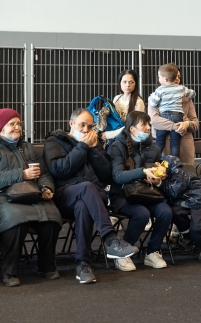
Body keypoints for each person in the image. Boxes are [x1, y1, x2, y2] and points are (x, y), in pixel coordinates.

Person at [44, 108, 138, 284]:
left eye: (90, 126)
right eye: (82, 125)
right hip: (65, 195)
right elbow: (60, 170)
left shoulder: (93, 144)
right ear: (71, 123)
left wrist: (94, 150)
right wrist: (82, 147)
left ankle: (83, 264)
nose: (86, 130)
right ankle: (110, 239)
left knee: (83, 207)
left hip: (92, 198)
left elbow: (107, 174)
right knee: (86, 189)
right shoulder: (55, 141)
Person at [0, 109, 62, 287]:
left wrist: (46, 187)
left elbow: (43, 173)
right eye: (11, 124)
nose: (17, 127)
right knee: (16, 219)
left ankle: (46, 266)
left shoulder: (27, 147)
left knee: (51, 216)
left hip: (31, 194)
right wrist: (21, 174)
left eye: (18, 123)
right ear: (0, 128)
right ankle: (9, 271)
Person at [109, 111, 173, 270]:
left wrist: (159, 177)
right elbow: (117, 176)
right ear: (131, 129)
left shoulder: (154, 149)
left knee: (165, 211)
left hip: (147, 194)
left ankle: (153, 252)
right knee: (142, 214)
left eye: (149, 124)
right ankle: (123, 252)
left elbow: (158, 172)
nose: (148, 127)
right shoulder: (117, 147)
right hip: (123, 196)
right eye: (144, 124)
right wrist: (143, 172)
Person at [149, 68, 199, 163]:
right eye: (174, 76)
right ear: (164, 78)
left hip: (185, 145)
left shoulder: (187, 98)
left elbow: (196, 124)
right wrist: (175, 127)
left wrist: (187, 124)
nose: (176, 78)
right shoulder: (156, 95)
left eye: (178, 77)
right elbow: (154, 120)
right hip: (163, 148)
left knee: (185, 174)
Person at [101, 69, 146, 141]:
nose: (127, 85)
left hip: (129, 138)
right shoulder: (117, 98)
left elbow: (133, 127)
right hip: (115, 135)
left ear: (135, 84)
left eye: (131, 82)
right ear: (120, 83)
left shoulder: (139, 102)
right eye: (124, 82)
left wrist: (109, 134)